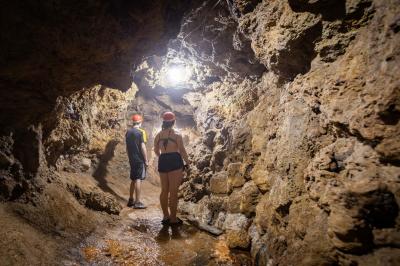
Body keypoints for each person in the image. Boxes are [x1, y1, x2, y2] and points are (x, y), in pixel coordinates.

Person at [154, 111, 189, 225]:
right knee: (173, 191)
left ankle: (165, 216)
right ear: (173, 122)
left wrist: (163, 157)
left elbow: (156, 151)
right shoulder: (177, 135)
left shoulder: (158, 136)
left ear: (164, 122)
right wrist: (188, 162)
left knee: (164, 190)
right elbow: (182, 150)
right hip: (174, 160)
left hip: (163, 160)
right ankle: (173, 219)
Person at [126, 114, 148, 209]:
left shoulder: (128, 132)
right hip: (139, 159)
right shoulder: (140, 132)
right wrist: (146, 160)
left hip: (132, 158)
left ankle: (131, 200)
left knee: (133, 178)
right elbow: (143, 147)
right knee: (138, 178)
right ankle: (137, 202)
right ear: (140, 122)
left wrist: (129, 157)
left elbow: (127, 148)